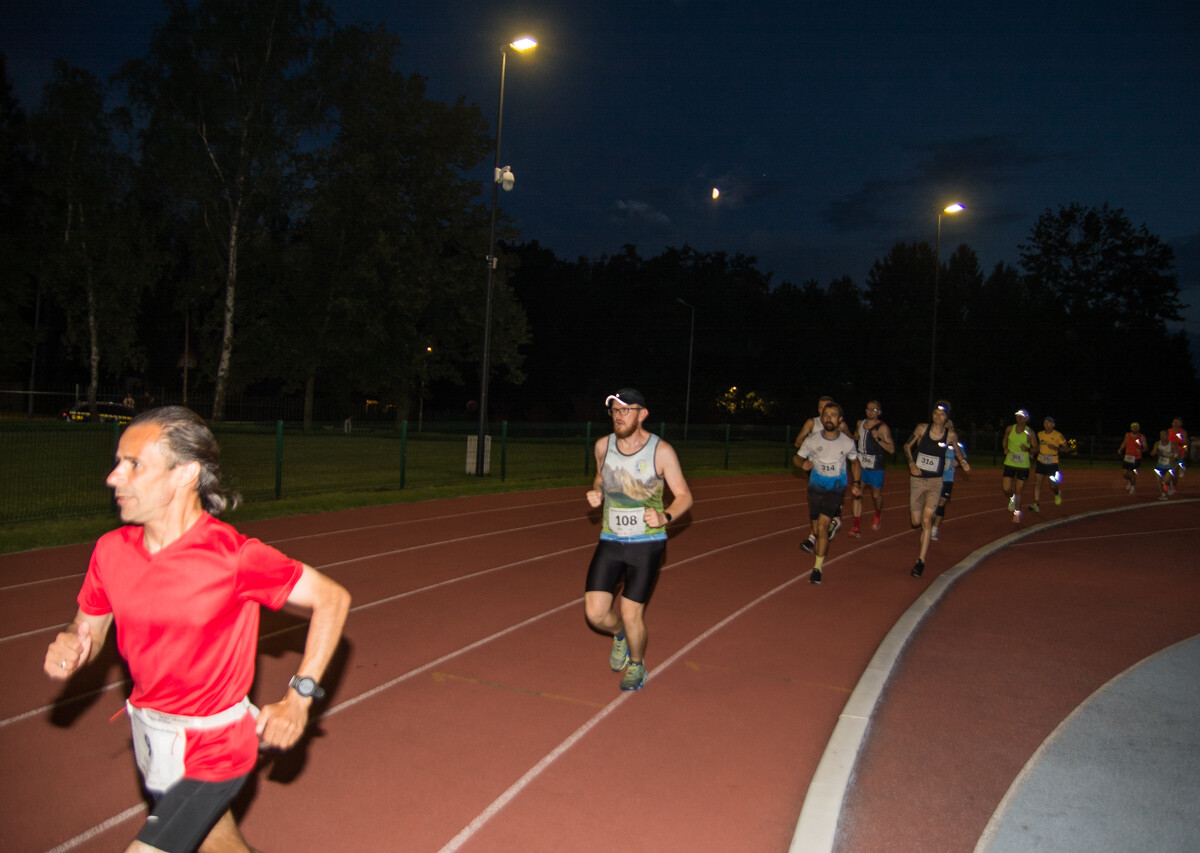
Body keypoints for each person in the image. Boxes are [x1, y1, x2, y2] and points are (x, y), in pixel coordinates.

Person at [44, 406, 351, 853]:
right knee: (216, 840)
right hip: (149, 732)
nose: (114, 478)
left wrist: (299, 699)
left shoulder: (234, 557)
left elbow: (333, 598)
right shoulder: (110, 552)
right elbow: (88, 626)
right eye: (117, 462)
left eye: (133, 464)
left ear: (185, 474)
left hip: (217, 744)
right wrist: (74, 642)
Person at [585, 388, 692, 692]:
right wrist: (598, 491)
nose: (618, 416)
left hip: (647, 543)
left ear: (642, 414)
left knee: (632, 612)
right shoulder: (602, 446)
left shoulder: (661, 451)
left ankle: (637, 663)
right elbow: (600, 477)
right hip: (610, 537)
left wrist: (666, 516)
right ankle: (618, 635)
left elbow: (685, 496)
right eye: (614, 411)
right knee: (595, 613)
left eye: (625, 410)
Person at [793, 401, 861, 585]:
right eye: (826, 415)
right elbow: (797, 458)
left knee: (821, 528)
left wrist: (856, 482)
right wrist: (803, 464)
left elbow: (855, 462)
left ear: (840, 420)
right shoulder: (812, 440)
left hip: (835, 488)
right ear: (821, 418)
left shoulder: (847, 442)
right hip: (815, 488)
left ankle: (817, 569)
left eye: (833, 415)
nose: (828, 418)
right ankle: (832, 524)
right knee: (816, 530)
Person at [904, 400, 968, 578]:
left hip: (935, 482)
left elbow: (957, 451)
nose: (938, 416)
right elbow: (907, 446)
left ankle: (920, 561)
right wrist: (911, 463)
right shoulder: (922, 429)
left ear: (946, 418)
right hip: (917, 480)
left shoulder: (950, 435)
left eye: (942, 414)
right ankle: (922, 545)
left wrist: (963, 462)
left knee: (926, 521)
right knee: (916, 521)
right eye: (935, 413)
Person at [850, 400, 894, 536]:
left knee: (876, 495)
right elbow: (855, 437)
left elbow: (892, 449)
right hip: (861, 466)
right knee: (857, 493)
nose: (870, 412)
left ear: (879, 412)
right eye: (868, 409)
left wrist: (878, 439)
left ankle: (878, 514)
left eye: (874, 410)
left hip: (876, 466)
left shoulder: (882, 428)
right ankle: (856, 527)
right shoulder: (860, 424)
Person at [929, 426, 967, 541]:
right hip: (934, 477)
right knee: (932, 502)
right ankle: (929, 520)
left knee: (942, 502)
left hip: (947, 479)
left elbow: (963, 458)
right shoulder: (938, 443)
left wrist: (959, 462)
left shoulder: (957, 446)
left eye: (951, 429)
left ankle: (934, 528)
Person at [1001, 409, 1036, 523]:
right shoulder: (1010, 428)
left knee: (1019, 489)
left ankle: (1016, 514)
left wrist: (1028, 449)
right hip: (1010, 462)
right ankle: (1012, 498)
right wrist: (1005, 448)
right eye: (1017, 416)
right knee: (1006, 488)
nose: (1019, 418)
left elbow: (1036, 448)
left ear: (1026, 419)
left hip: (1023, 465)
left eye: (1021, 417)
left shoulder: (1030, 432)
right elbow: (1004, 440)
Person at [1029, 415, 1069, 512]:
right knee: (1038, 483)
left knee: (1052, 486)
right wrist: (1033, 452)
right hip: (1040, 461)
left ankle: (1057, 493)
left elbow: (1067, 448)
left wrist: (1056, 448)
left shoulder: (1058, 435)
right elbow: (1038, 446)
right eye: (1044, 422)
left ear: (1053, 425)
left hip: (1052, 463)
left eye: (1048, 423)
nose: (1045, 424)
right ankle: (1036, 504)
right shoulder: (1040, 434)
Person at [1119, 422, 1148, 494]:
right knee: (1125, 474)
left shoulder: (1141, 437)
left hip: (1136, 458)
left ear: (1139, 428)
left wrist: (1140, 450)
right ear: (1131, 428)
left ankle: (1132, 487)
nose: (1135, 428)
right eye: (1133, 427)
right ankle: (1130, 481)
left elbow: (1145, 447)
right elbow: (1124, 443)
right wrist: (1121, 449)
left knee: (1133, 473)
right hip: (1127, 457)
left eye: (1136, 427)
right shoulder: (1127, 435)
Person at [1151, 429, 1180, 500]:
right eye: (1161, 435)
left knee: (1165, 481)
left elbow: (1178, 454)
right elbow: (1152, 453)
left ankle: (1169, 485)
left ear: (1167, 436)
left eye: (1164, 435)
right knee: (1158, 480)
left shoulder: (1172, 445)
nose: (1162, 436)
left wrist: (1173, 456)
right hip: (1159, 466)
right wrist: (1154, 452)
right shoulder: (1157, 444)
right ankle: (1163, 494)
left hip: (1169, 466)